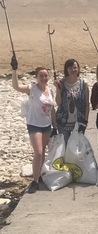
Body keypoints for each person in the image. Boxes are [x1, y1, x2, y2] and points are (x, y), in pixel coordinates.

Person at [11, 56, 56, 193]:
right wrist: (14, 71)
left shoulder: (51, 91)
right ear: (36, 77)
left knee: (43, 154)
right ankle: (35, 181)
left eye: (45, 76)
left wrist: (55, 126)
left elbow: (52, 110)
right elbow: (16, 86)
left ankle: (40, 176)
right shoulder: (32, 89)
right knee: (38, 152)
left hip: (47, 125)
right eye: (41, 76)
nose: (44, 78)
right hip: (34, 125)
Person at [54, 59, 89, 144]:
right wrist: (57, 88)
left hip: (79, 123)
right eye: (70, 68)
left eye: (75, 67)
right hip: (63, 123)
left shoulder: (84, 84)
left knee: (76, 150)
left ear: (78, 69)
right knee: (65, 149)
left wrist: (85, 122)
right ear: (66, 69)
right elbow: (58, 103)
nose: (73, 70)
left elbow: (87, 105)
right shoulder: (61, 83)